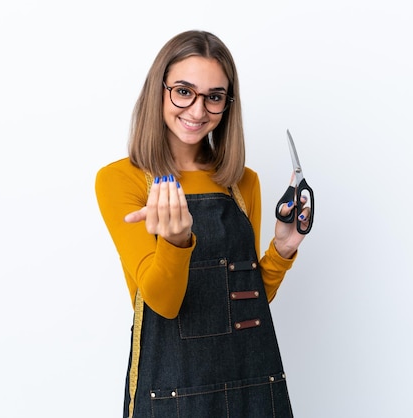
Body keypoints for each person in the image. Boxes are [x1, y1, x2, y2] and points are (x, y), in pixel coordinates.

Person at [95, 29, 310, 418]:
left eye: (214, 97)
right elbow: (163, 303)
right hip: (172, 396)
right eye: (183, 91)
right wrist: (176, 242)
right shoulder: (121, 180)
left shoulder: (243, 182)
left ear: (228, 104)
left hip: (253, 387)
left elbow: (247, 303)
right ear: (159, 90)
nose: (197, 111)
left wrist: (283, 249)